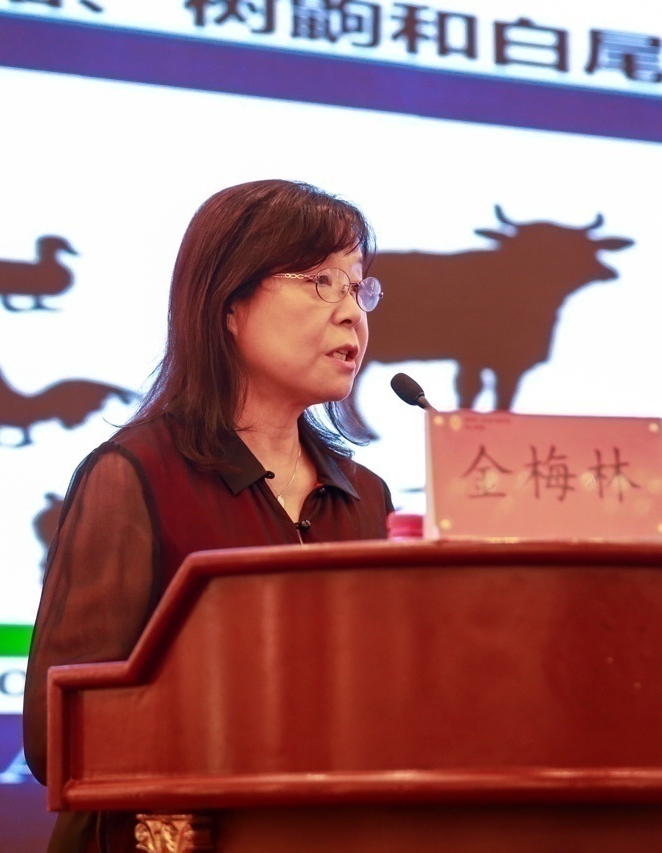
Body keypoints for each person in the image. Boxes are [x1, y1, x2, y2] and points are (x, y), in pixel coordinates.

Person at [22, 179, 394, 853]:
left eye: (358, 287)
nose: (351, 314)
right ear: (229, 305)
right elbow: (60, 737)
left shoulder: (365, 496)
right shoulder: (137, 476)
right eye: (321, 282)